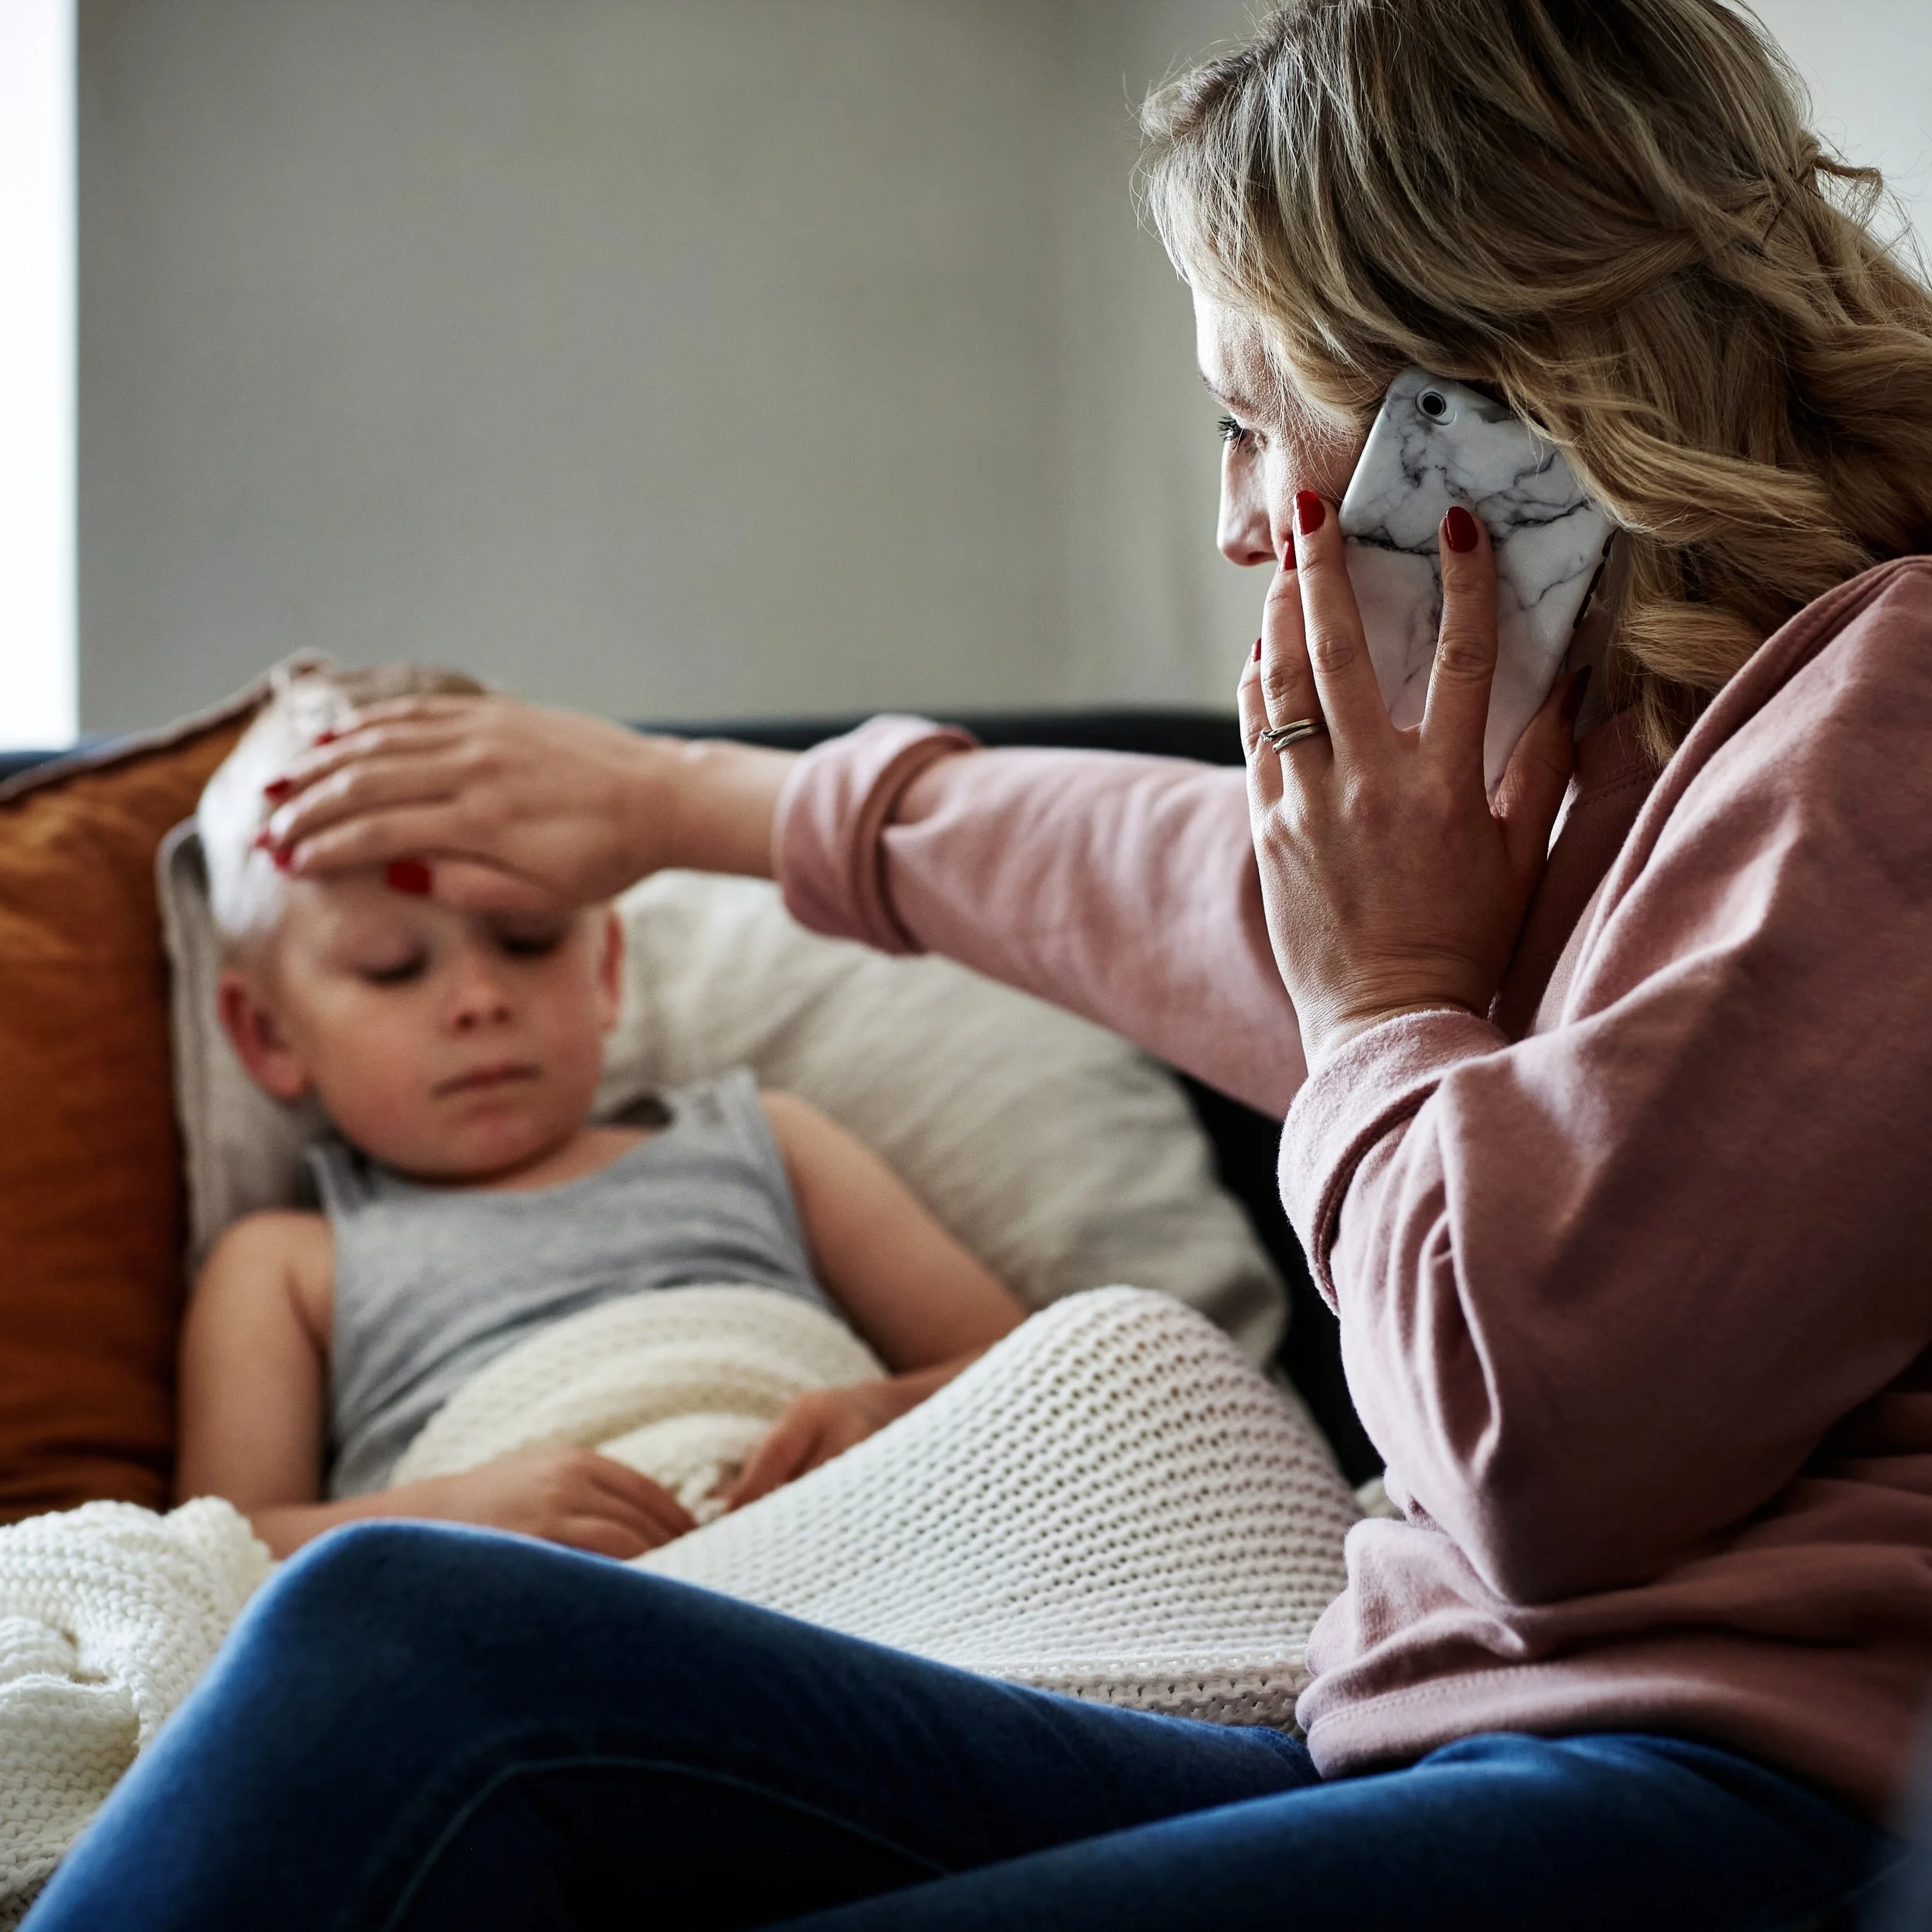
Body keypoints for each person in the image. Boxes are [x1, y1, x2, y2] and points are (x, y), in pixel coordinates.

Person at [27, 0, 1930, 1924]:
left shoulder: (1890, 719)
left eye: (1251, 422)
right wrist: (689, 804)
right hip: (1423, 1741)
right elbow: (1170, 885)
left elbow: (1543, 1460)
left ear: (1498, 393)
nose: (1229, 521)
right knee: (398, 1643)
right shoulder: (1591, 766)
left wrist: (1386, 1006)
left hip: (1718, 1791)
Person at [180, 666, 1025, 1557]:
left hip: (846, 1562)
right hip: (523, 1616)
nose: (478, 999)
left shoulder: (767, 1142)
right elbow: (210, 1558)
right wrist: (448, 1520)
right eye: (394, 966)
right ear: (266, 1034)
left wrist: (881, 1416)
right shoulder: (285, 1265)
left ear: (607, 968)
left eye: (529, 941)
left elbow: (1039, 1370)